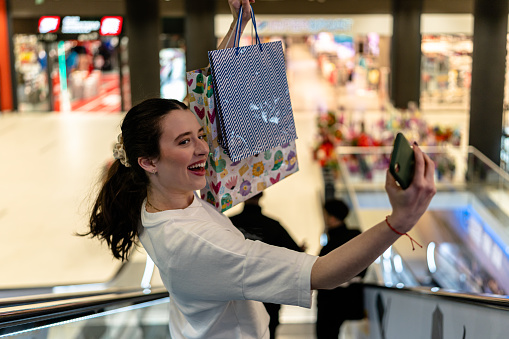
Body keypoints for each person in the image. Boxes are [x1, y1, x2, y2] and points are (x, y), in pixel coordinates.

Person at [83, 1, 436, 338]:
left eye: (199, 135)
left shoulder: (155, 195)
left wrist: (238, 26)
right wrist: (399, 221)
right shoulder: (206, 246)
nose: (205, 148)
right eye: (184, 142)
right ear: (149, 161)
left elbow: (206, 100)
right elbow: (324, 273)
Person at [229, 192, 306, 339]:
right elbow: (293, 253)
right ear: (261, 196)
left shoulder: (229, 223)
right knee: (268, 329)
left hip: (235, 290)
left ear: (243, 196)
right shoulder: (273, 225)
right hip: (269, 290)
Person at [315, 199, 366, 339]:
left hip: (331, 303)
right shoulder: (356, 236)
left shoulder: (331, 245)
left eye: (325, 214)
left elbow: (321, 272)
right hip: (352, 300)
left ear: (332, 217)